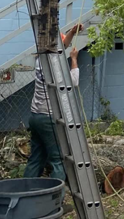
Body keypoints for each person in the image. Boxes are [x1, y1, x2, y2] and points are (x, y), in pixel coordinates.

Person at [25, 24, 82, 182]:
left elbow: (62, 45)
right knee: (58, 159)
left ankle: (27, 192)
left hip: (35, 116)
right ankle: (56, 199)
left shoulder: (40, 60)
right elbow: (74, 82)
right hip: (48, 118)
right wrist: (74, 60)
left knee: (36, 158)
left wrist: (71, 32)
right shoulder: (56, 67)